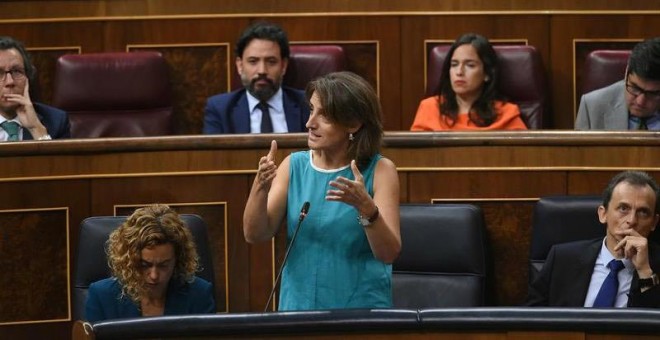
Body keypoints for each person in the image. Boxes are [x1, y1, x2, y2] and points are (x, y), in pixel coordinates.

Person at [243, 71, 401, 310]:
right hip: (299, 309)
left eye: (324, 115)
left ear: (353, 124)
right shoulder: (293, 166)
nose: (309, 123)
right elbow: (255, 235)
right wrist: (260, 187)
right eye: (311, 110)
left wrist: (367, 209)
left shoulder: (380, 170)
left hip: (360, 311)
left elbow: (388, 254)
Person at [526, 171, 660, 307]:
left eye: (643, 212)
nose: (631, 220)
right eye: (623, 208)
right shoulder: (562, 259)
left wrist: (645, 272)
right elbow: (529, 320)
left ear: (654, 223)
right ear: (603, 214)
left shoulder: (652, 268)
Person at [85, 204, 215, 322]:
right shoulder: (101, 296)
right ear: (129, 260)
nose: (154, 276)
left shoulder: (199, 294)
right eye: (145, 265)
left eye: (163, 265)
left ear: (178, 260)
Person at [203, 22, 309, 134]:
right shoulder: (219, 109)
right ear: (240, 65)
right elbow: (213, 152)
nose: (262, 71)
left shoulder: (308, 105)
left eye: (271, 62)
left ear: (283, 66)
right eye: (253, 61)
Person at [410, 33, 527, 131]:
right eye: (454, 64)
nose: (459, 72)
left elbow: (526, 154)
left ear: (486, 74)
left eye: (470, 65)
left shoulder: (506, 114)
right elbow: (413, 155)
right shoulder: (430, 108)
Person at [576, 38, 660, 130]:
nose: (640, 102)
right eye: (635, 88)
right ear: (626, 72)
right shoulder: (591, 107)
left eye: (652, 93)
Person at [0, 36, 70, 141]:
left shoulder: (56, 121)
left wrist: (36, 128)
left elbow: (56, 158)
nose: (10, 82)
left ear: (28, 77)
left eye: (17, 71)